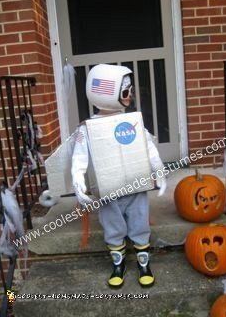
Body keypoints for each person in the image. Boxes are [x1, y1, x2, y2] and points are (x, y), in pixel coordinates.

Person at [71, 64, 166, 288]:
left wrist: (158, 169)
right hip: (108, 191)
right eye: (125, 91)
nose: (130, 95)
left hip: (136, 186)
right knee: (112, 226)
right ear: (106, 92)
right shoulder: (87, 129)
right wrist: (78, 182)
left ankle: (143, 262)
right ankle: (118, 264)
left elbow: (147, 147)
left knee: (139, 221)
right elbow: (79, 157)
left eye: (130, 91)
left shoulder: (132, 123)